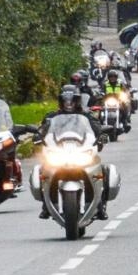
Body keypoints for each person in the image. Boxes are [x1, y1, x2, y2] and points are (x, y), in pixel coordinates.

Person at [36, 85, 107, 220]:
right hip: (60, 151)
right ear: (61, 101)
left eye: (72, 100)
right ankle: (46, 205)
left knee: (100, 170)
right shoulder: (52, 116)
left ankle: (100, 204)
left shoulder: (86, 116)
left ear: (77, 101)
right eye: (65, 100)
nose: (69, 103)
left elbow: (97, 129)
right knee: (43, 170)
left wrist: (101, 135)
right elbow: (43, 129)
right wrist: (38, 135)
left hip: (80, 150)